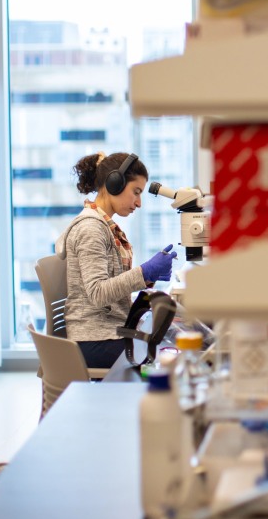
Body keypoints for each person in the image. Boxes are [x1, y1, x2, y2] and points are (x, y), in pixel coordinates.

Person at [55, 151, 177, 368]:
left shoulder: (104, 226)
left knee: (167, 345)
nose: (139, 203)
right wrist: (144, 272)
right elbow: (98, 293)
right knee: (166, 360)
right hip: (94, 339)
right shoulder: (91, 229)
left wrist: (148, 277)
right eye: (136, 192)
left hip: (107, 332)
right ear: (114, 183)